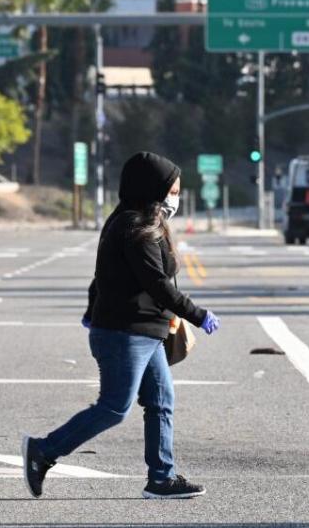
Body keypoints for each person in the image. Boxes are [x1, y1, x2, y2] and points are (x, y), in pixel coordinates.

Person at [22, 151, 221, 500]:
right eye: (171, 190)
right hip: (125, 334)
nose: (175, 197)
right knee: (114, 408)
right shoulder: (135, 228)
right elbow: (157, 284)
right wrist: (198, 314)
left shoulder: (140, 222)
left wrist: (91, 310)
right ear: (152, 188)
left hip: (144, 333)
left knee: (161, 401)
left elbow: (101, 279)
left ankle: (161, 477)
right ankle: (43, 451)